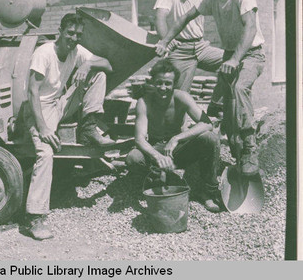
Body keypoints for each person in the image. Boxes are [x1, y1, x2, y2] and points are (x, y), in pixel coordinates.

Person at [156, 0, 265, 176]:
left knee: (238, 89)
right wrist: (165, 40)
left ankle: (250, 148)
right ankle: (236, 154)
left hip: (251, 54)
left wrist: (234, 60)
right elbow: (185, 17)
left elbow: (250, 27)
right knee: (230, 106)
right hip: (229, 54)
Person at [24, 13, 115, 240]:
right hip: (39, 110)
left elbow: (108, 64)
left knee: (99, 74)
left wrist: (89, 65)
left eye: (78, 35)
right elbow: (32, 92)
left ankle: (89, 126)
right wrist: (43, 128)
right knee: (45, 154)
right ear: (60, 32)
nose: (73, 38)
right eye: (70, 33)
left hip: (59, 104)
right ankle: (35, 217)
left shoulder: (76, 51)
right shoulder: (43, 53)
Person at [126, 59, 221, 212]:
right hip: (155, 147)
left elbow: (207, 123)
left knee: (210, 138)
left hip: (178, 148)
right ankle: (156, 181)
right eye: (159, 83)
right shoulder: (144, 102)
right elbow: (139, 139)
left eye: (168, 83)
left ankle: (208, 190)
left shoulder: (181, 97)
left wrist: (176, 138)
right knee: (133, 158)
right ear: (152, 82)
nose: (163, 88)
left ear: (174, 84)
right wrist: (157, 156)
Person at [153, 0, 224, 116]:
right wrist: (166, 42)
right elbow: (160, 18)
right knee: (179, 96)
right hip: (179, 50)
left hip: (201, 46)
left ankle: (216, 105)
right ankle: (175, 134)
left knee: (232, 63)